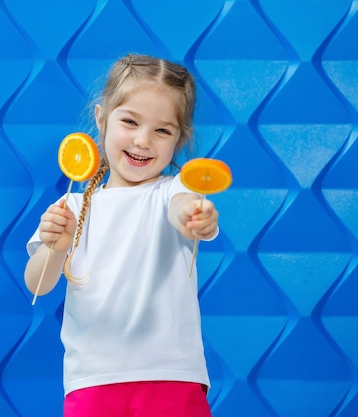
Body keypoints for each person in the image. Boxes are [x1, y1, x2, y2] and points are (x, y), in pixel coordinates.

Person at [24, 53, 219, 417]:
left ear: (180, 138)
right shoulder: (72, 205)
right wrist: (56, 246)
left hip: (172, 376)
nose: (143, 141)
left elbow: (183, 206)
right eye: (130, 121)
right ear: (101, 118)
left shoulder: (172, 191)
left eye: (162, 130)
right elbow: (38, 285)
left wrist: (195, 216)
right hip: (92, 381)